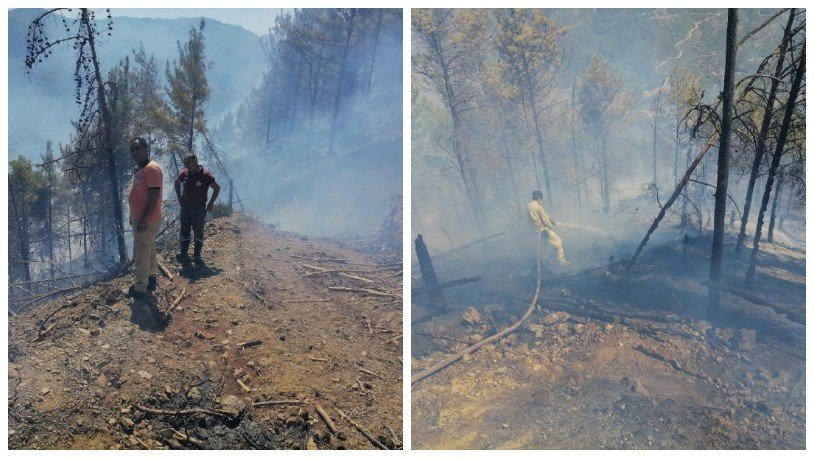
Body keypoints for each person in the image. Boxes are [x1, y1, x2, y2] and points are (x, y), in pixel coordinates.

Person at [127, 137, 163, 299]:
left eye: (138, 148)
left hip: (147, 220)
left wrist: (143, 219)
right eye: (132, 149)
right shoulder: (140, 170)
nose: (135, 152)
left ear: (146, 149)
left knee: (141, 253)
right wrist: (132, 215)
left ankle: (140, 289)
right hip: (140, 219)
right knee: (149, 250)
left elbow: (154, 196)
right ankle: (150, 281)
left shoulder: (152, 169)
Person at [174, 153, 220, 264]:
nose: (187, 165)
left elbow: (217, 188)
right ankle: (183, 253)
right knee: (184, 230)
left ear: (195, 161)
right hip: (185, 207)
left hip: (199, 208)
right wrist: (179, 198)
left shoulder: (205, 175)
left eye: (189, 163)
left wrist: (211, 203)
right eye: (185, 163)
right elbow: (176, 183)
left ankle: (197, 255)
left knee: (198, 231)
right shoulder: (184, 173)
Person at [527, 190, 569, 265]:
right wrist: (551, 226)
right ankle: (561, 261)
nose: (541, 200)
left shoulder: (529, 205)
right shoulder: (539, 207)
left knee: (545, 244)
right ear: (539, 198)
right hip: (543, 230)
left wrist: (551, 220)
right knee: (558, 241)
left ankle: (546, 259)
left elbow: (542, 215)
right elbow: (545, 221)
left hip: (535, 230)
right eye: (541, 198)